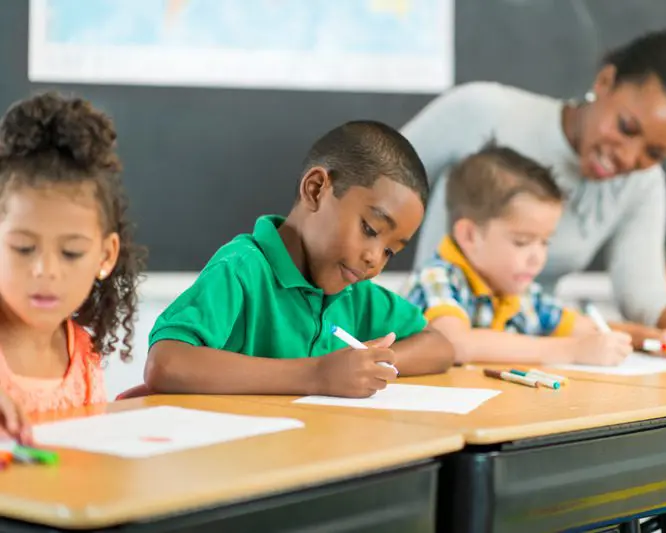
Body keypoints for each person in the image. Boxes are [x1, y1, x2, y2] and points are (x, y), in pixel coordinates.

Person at [403, 29, 666, 366]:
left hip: (530, 358)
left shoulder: (641, 187)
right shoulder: (482, 111)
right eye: (626, 127)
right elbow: (372, 182)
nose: (628, 156)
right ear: (605, 82)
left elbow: (648, 304)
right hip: (456, 355)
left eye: (654, 154)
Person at [145, 121, 454, 399]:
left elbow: (439, 346)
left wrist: (372, 364)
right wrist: (317, 374)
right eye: (370, 229)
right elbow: (167, 362)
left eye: (390, 251)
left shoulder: (353, 293)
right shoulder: (241, 270)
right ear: (316, 189)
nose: (374, 259)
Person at [405, 144, 633, 365]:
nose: (538, 258)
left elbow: (585, 328)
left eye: (545, 242)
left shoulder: (522, 295)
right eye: (522, 242)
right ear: (469, 236)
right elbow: (456, 344)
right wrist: (571, 351)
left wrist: (647, 338)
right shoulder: (437, 277)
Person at [0, 92, 144, 439]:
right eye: (23, 248)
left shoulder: (82, 356)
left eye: (71, 253)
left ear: (105, 256)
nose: (46, 270)